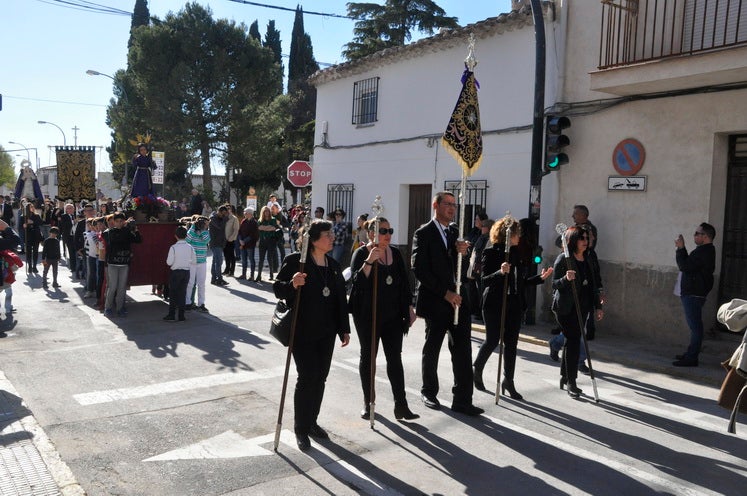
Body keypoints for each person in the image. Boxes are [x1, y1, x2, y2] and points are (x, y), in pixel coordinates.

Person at [273, 220, 351, 451]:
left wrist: (344, 328)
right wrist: (292, 283)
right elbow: (278, 289)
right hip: (303, 330)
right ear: (314, 239)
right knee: (307, 377)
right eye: (327, 234)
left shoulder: (334, 265)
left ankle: (313, 422)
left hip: (326, 331)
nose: (332, 238)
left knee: (321, 377)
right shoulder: (297, 261)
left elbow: (339, 299)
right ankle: (301, 428)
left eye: (331, 234)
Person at [411, 191, 483, 416]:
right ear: (436, 205)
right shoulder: (423, 233)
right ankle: (429, 391)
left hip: (459, 300)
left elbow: (460, 264)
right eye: (448, 204)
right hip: (437, 300)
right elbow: (420, 268)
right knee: (432, 347)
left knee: (462, 350)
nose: (452, 208)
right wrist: (445, 294)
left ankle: (463, 399)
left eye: (454, 205)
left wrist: (463, 251)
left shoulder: (455, 233)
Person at [473, 216, 553, 399]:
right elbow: (484, 280)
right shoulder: (491, 252)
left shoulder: (516, 253)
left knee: (511, 345)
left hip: (514, 304)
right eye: (517, 233)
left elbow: (520, 282)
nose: (520, 236)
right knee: (492, 340)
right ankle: (476, 368)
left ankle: (508, 381)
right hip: (494, 303)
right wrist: (500, 272)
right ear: (507, 234)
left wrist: (540, 279)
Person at [349, 217, 418, 421]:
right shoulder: (360, 253)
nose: (388, 235)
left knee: (395, 359)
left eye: (390, 231)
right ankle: (368, 402)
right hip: (368, 315)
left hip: (393, 316)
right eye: (383, 231)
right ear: (371, 234)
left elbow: (404, 283)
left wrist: (409, 307)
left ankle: (401, 405)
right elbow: (357, 283)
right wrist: (370, 261)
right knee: (369, 358)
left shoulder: (395, 253)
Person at [551, 225, 604, 398]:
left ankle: (565, 377)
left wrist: (598, 306)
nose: (585, 241)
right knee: (574, 340)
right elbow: (554, 284)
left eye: (586, 238)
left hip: (583, 307)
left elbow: (594, 284)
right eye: (582, 238)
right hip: (566, 308)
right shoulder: (563, 259)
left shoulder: (588, 258)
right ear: (573, 240)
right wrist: (566, 279)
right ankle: (571, 382)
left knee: (571, 341)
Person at [673, 222, 716, 367]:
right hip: (694, 293)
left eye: (697, 233)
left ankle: (691, 358)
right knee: (695, 327)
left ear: (705, 236)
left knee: (696, 328)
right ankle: (690, 354)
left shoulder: (704, 252)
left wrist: (680, 248)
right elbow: (688, 265)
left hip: (694, 294)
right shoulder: (703, 251)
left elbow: (684, 266)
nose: (694, 236)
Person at [102, 213, 142, 318]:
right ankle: (108, 308)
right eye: (117, 221)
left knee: (121, 288)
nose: (119, 223)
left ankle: (120, 308)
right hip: (112, 264)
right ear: (113, 222)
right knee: (112, 287)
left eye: (121, 221)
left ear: (123, 221)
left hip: (124, 264)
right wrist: (126, 228)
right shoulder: (108, 232)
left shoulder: (127, 231)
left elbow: (138, 240)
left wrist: (135, 229)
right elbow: (116, 240)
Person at [164, 225, 196, 322]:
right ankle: (181, 316)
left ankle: (172, 315)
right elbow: (194, 260)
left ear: (175, 236)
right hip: (186, 272)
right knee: (183, 294)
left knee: (173, 294)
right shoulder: (190, 247)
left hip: (176, 272)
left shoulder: (173, 247)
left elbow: (169, 262)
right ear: (186, 235)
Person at [467, 217, 492, 321]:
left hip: (482, 268)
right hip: (477, 268)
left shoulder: (489, 239)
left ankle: (482, 313)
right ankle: (477, 311)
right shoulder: (481, 237)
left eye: (484, 226)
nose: (482, 228)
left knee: (482, 291)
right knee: (477, 291)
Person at [185, 216, 210, 313]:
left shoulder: (206, 232)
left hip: (202, 261)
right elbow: (187, 240)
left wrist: (203, 230)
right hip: (192, 262)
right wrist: (193, 227)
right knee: (190, 283)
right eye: (204, 223)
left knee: (201, 284)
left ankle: (201, 303)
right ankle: (188, 302)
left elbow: (207, 240)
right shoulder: (192, 231)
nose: (206, 225)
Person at [256, 206, 279, 282]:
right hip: (263, 241)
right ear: (262, 212)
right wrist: (268, 227)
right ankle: (259, 275)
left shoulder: (273, 219)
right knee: (261, 259)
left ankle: (271, 274)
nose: (266, 212)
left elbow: (274, 228)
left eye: (268, 211)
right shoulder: (260, 220)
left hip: (271, 241)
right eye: (265, 211)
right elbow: (259, 228)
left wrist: (264, 227)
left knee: (270, 258)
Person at [208, 205, 228, 286]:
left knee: (215, 261)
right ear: (218, 212)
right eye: (223, 214)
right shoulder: (213, 219)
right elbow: (219, 227)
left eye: (225, 214)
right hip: (215, 243)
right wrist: (225, 219)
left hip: (219, 242)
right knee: (218, 262)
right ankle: (219, 279)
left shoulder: (220, 218)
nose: (223, 216)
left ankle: (214, 279)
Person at [237, 207, 259, 280]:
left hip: (250, 244)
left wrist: (244, 241)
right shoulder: (243, 221)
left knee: (251, 260)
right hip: (243, 244)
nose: (244, 214)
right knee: (244, 260)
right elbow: (239, 232)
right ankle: (244, 274)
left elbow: (253, 235)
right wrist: (240, 240)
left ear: (250, 214)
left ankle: (252, 276)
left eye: (245, 213)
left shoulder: (254, 222)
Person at [20, 203, 42, 273]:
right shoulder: (23, 217)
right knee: (28, 252)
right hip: (28, 236)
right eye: (30, 207)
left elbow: (40, 223)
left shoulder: (36, 215)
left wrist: (33, 222)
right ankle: (29, 266)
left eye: (32, 206)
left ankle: (34, 266)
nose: (32, 208)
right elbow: (20, 226)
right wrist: (24, 226)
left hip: (36, 235)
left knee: (35, 251)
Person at [0, 248, 22, 315]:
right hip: (6, 279)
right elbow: (14, 268)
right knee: (9, 293)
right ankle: (8, 308)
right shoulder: (7, 257)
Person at [222, 204, 239, 278]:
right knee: (226, 256)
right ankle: (227, 269)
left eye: (229, 208)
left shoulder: (234, 218)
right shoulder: (223, 217)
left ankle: (232, 271)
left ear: (231, 209)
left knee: (232, 256)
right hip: (223, 240)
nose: (227, 210)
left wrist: (231, 238)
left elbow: (236, 229)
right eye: (226, 208)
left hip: (230, 240)